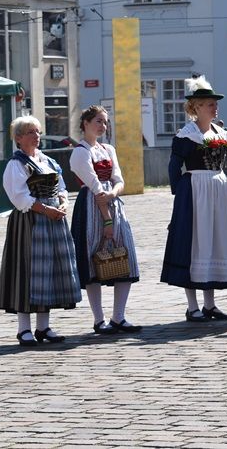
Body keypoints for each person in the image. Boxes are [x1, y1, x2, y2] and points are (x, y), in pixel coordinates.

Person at [162, 77, 227, 321]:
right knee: (194, 243)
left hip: (218, 190)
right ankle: (192, 306)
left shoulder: (220, 132)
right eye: (209, 104)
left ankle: (210, 304)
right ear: (196, 107)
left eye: (214, 104)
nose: (214, 107)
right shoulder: (186, 136)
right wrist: (181, 194)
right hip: (195, 190)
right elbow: (174, 167)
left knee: (213, 241)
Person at [0, 116, 81, 346]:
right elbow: (19, 197)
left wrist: (63, 203)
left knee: (49, 271)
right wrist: (45, 209)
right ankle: (24, 329)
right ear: (19, 138)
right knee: (27, 271)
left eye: (38, 131)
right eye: (31, 132)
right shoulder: (16, 165)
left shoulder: (47, 161)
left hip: (53, 220)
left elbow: (61, 187)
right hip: (30, 223)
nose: (37, 136)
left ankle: (43, 327)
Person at [69, 105, 141, 334]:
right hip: (92, 206)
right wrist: (107, 220)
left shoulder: (108, 149)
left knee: (125, 254)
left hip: (113, 202)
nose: (103, 126)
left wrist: (115, 193)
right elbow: (95, 187)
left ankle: (118, 316)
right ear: (86, 123)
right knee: (94, 259)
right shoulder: (80, 152)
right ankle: (99, 319)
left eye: (105, 121)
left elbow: (118, 178)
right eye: (99, 121)